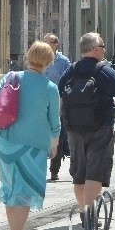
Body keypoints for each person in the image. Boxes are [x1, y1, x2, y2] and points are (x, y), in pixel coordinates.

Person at [0, 41, 60, 230]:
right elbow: (54, 123)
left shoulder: (10, 78)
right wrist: (55, 143)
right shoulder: (50, 88)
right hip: (32, 148)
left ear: (28, 55)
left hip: (4, 142)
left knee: (10, 188)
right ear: (49, 62)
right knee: (24, 194)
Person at [58, 33, 115, 221]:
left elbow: (60, 96)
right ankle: (91, 212)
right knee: (95, 171)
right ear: (95, 49)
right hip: (101, 128)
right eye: (103, 45)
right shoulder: (105, 71)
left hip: (74, 129)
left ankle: (84, 210)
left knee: (79, 171)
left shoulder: (71, 71)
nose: (104, 49)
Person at [42, 33, 71, 181]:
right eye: (44, 41)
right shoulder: (39, 59)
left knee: (57, 136)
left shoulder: (64, 62)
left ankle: (54, 170)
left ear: (56, 45)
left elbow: (69, 81)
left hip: (58, 103)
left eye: (49, 42)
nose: (46, 44)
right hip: (40, 104)